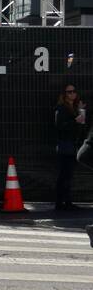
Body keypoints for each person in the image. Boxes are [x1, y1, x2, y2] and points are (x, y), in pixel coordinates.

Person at [54, 83, 85, 212]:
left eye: (74, 91)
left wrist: (80, 111)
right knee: (64, 175)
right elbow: (59, 126)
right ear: (64, 94)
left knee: (68, 174)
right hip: (65, 145)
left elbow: (80, 126)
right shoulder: (61, 108)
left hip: (72, 144)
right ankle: (61, 203)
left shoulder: (74, 107)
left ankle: (66, 202)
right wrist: (75, 121)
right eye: (69, 92)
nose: (72, 93)